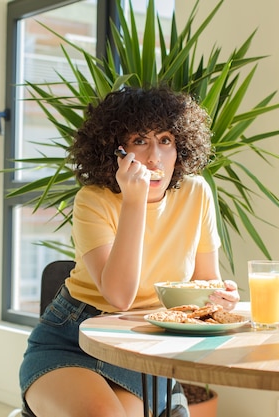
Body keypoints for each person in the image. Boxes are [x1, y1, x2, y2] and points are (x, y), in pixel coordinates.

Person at [19, 86, 240, 417]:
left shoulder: (197, 194)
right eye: (140, 141)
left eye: (165, 140)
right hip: (73, 337)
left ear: (181, 146)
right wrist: (134, 201)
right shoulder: (93, 200)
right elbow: (119, 296)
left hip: (145, 345)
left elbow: (205, 280)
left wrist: (217, 298)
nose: (154, 157)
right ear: (117, 150)